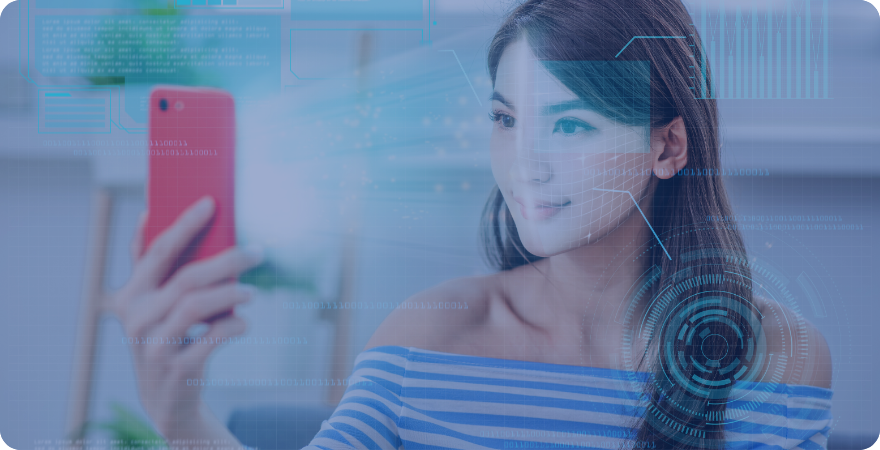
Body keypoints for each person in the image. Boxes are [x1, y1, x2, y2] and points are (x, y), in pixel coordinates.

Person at [111, 0, 833, 449]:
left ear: (667, 147)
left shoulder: (776, 360)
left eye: (571, 124)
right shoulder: (431, 334)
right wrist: (181, 416)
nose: (527, 164)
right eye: (506, 120)